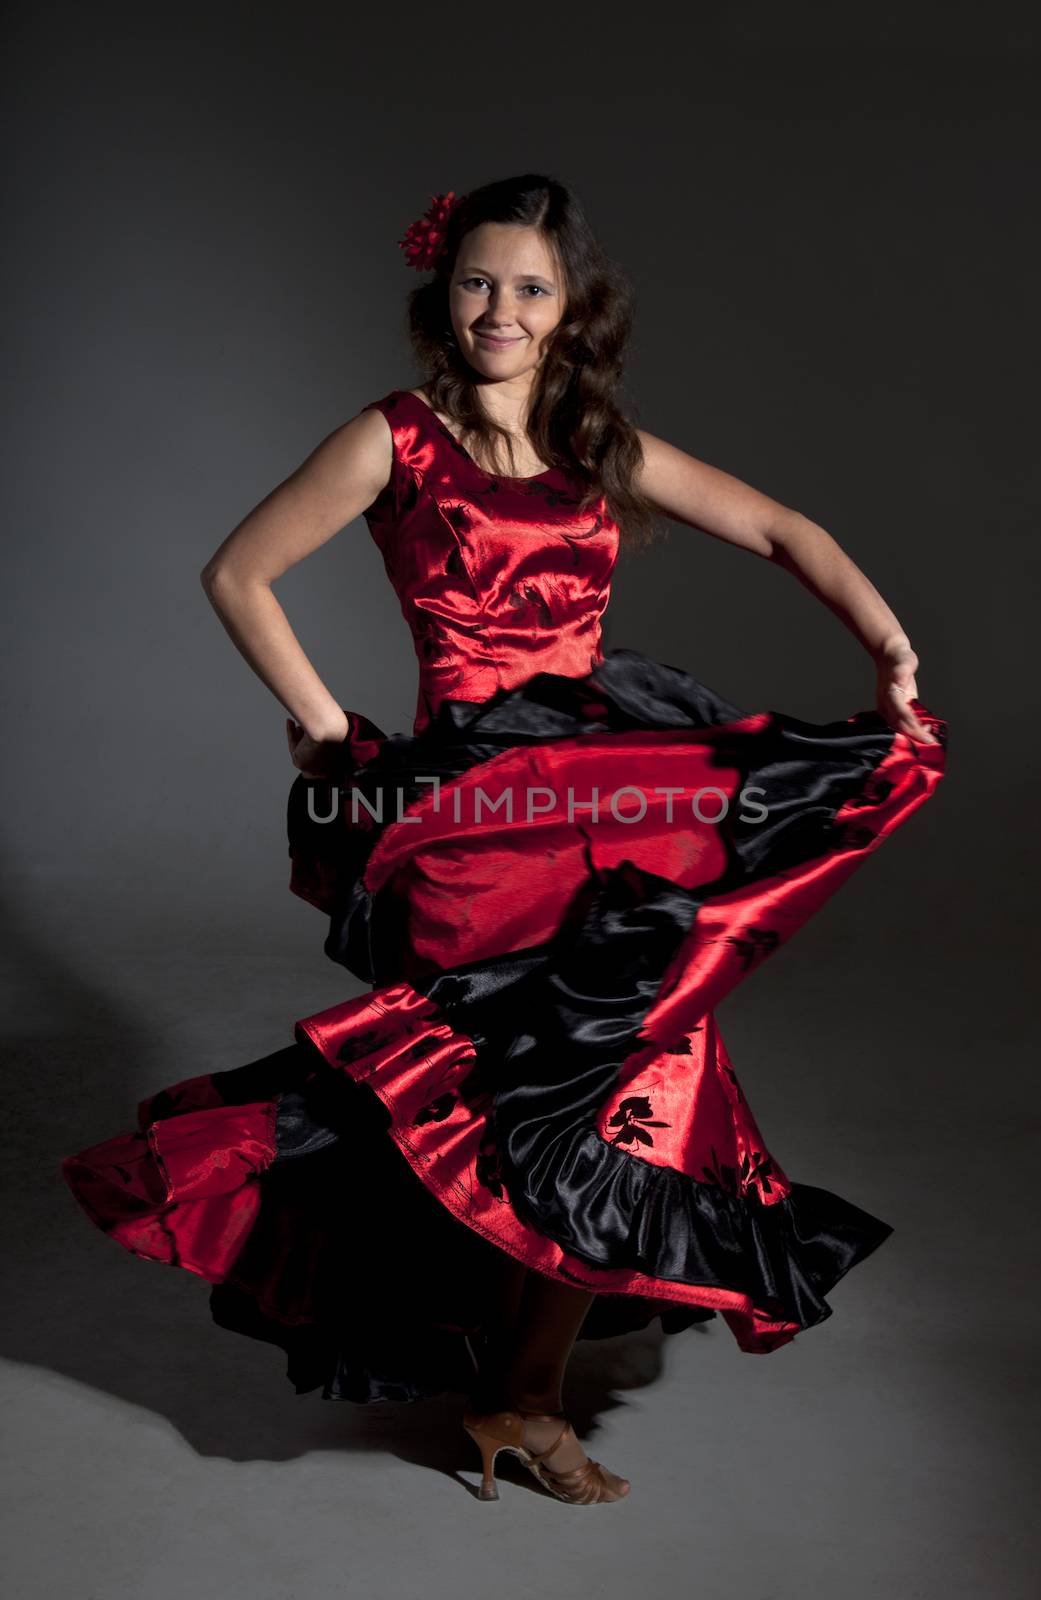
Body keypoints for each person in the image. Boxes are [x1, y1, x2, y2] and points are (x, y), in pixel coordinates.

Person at [62, 172, 947, 1507]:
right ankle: (506, 1386)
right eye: (479, 281)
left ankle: (519, 1394)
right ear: (443, 291)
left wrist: (886, 641)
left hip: (602, 815)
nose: (501, 308)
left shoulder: (598, 443)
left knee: (643, 1088)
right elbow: (238, 572)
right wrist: (320, 723)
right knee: (518, 1100)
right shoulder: (396, 440)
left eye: (530, 287)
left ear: (570, 307)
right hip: (468, 825)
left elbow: (776, 525)